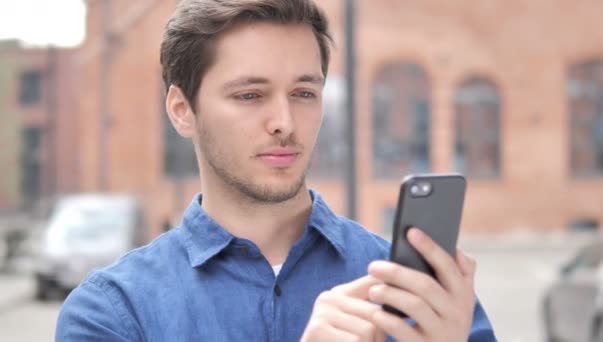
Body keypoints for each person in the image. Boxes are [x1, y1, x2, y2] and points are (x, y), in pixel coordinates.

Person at [56, 0, 496, 341]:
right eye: (250, 95)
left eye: (304, 93)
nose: (284, 122)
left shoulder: (415, 290)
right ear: (182, 110)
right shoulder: (113, 312)